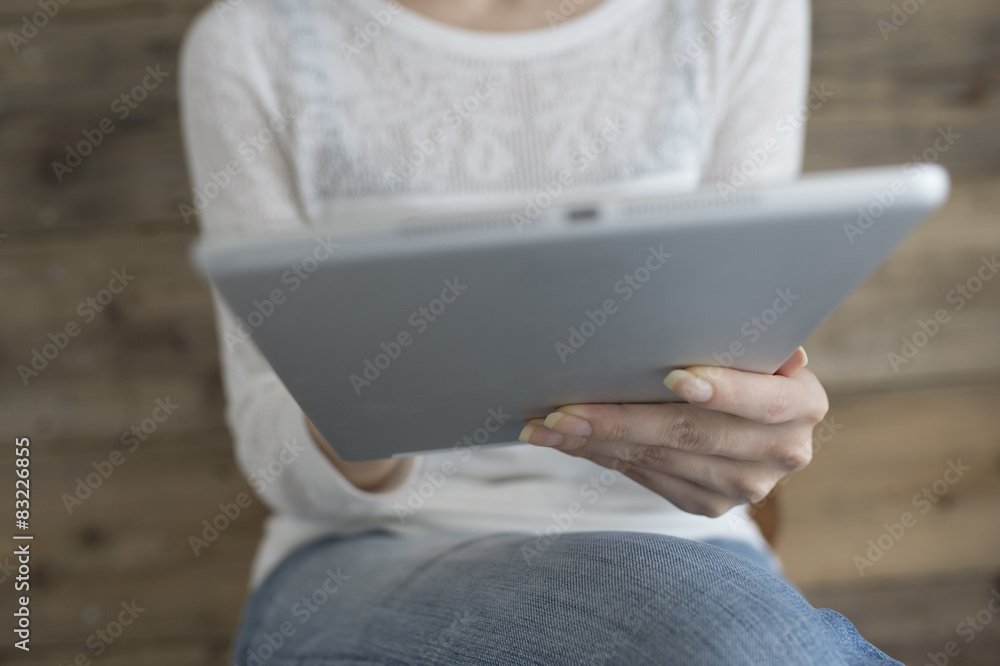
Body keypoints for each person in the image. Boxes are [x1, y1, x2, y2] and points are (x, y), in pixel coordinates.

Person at [180, 0, 902, 663]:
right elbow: (271, 450)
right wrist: (363, 404)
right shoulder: (256, 39)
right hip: (364, 559)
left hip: (684, 543)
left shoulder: (733, 11)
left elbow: (737, 339)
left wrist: (747, 429)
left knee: (743, 642)